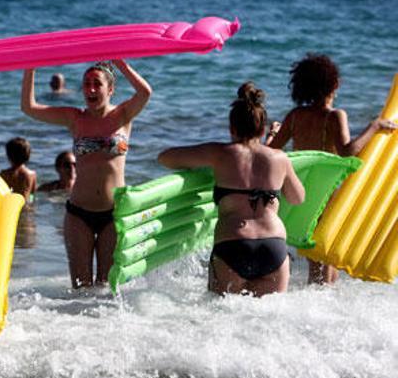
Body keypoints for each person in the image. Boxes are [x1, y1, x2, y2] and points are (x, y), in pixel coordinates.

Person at [159, 82, 304, 297]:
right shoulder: (279, 158)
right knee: (269, 321)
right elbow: (297, 197)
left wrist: (203, 162)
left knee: (221, 316)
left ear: (231, 128)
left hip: (233, 244)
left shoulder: (219, 153)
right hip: (273, 246)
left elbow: (165, 158)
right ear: (263, 129)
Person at [266, 53, 398, 284]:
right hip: (325, 192)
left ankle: (318, 299)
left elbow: (272, 151)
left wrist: (272, 134)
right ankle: (320, 305)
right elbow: (348, 150)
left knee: (315, 255)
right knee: (324, 255)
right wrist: (374, 126)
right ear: (334, 84)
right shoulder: (335, 116)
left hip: (298, 191)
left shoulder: (295, 116)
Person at [21, 59, 152, 288]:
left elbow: (145, 92)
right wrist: (31, 66)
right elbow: (29, 107)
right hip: (78, 214)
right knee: (81, 288)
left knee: (106, 287)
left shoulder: (123, 115)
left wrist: (119, 61)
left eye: (97, 84)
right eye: (86, 84)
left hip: (113, 214)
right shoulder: (75, 118)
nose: (90, 89)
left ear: (110, 90)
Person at [0, 137, 37, 202]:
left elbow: (1, 193)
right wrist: (31, 204)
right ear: (28, 155)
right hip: (25, 206)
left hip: (11, 204)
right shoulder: (32, 174)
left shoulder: (4, 174)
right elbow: (32, 195)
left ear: (9, 155)